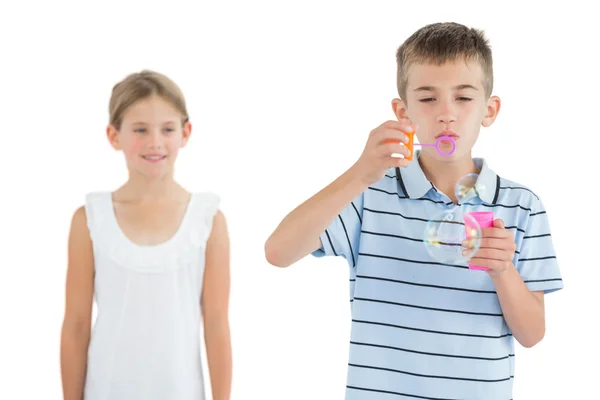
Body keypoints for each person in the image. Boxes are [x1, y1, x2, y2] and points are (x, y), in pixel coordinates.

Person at [265, 22, 563, 399]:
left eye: (463, 98)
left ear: (490, 110)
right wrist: (360, 173)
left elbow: (532, 334)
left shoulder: (521, 207)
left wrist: (503, 271)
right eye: (427, 98)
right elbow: (277, 252)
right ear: (402, 112)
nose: (446, 114)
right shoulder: (369, 194)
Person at [60, 70, 232, 400]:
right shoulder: (90, 220)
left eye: (167, 129)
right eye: (140, 129)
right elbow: (76, 324)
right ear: (114, 135)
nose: (155, 142)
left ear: (185, 133)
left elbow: (216, 324)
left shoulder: (208, 221)